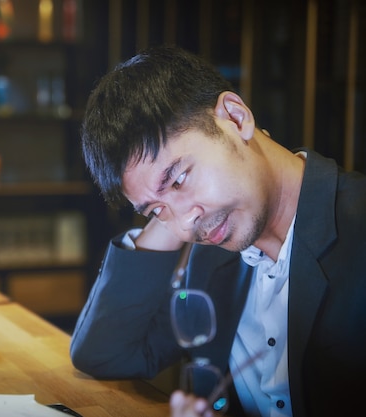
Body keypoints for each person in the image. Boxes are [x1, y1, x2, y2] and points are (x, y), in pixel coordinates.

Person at [69, 45, 366, 417]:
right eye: (155, 212)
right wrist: (165, 203)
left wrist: (169, 201)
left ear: (235, 117)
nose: (185, 224)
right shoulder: (211, 259)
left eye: (179, 178)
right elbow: (106, 352)